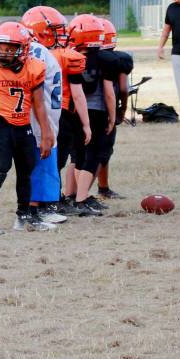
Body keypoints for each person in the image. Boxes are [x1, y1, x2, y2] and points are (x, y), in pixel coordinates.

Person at [0, 22, 55, 233]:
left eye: (10, 49)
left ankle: (24, 216)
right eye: (0, 47)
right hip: (2, 126)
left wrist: (46, 133)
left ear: (24, 49)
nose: (3, 53)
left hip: (23, 127)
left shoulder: (34, 68)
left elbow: (39, 105)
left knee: (26, 172)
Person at [20, 6, 90, 218]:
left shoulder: (42, 53)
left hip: (50, 115)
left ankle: (45, 204)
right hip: (40, 117)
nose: (61, 34)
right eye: (56, 29)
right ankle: (37, 208)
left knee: (48, 164)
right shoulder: (37, 53)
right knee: (42, 163)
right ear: (42, 30)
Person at [65, 14, 117, 217]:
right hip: (95, 111)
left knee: (76, 156)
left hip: (73, 111)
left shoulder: (69, 55)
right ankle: (81, 199)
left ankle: (71, 195)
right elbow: (109, 93)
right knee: (92, 156)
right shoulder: (105, 59)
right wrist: (113, 117)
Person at [96, 17, 133, 200]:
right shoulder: (119, 59)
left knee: (79, 155)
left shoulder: (80, 56)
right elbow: (124, 88)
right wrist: (122, 109)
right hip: (106, 110)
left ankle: (76, 193)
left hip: (81, 111)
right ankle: (100, 189)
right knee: (103, 152)